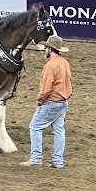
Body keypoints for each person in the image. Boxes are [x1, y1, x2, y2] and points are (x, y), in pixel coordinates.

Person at [21, 35, 72, 169]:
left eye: (46, 48)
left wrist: (40, 100)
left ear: (50, 49)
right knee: (59, 129)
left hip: (51, 102)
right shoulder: (64, 63)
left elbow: (47, 89)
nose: (45, 50)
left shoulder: (50, 65)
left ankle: (36, 158)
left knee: (35, 127)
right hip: (63, 101)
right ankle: (58, 161)